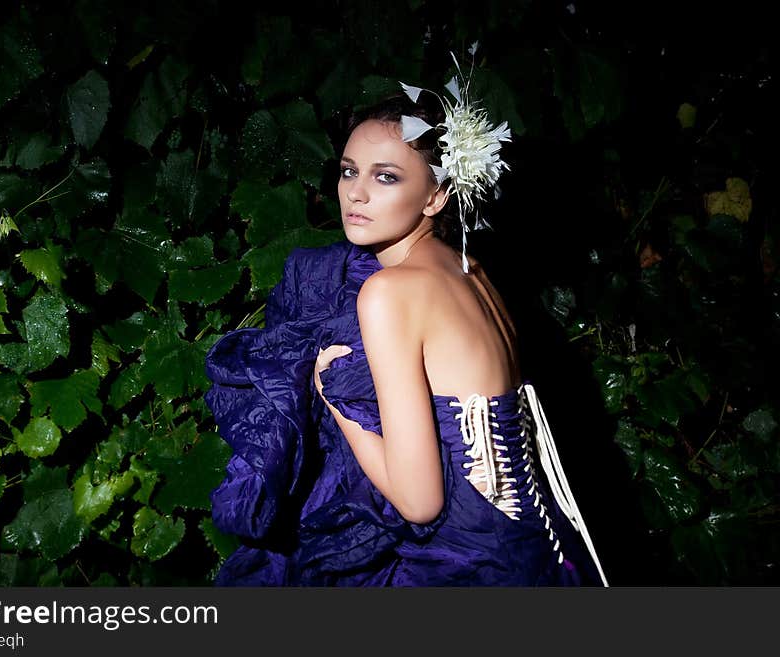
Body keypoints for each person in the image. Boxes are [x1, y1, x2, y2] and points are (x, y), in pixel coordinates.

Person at [204, 52, 608, 586]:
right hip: (535, 541)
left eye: (387, 177)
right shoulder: (470, 269)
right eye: (349, 171)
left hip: (463, 556)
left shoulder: (391, 292)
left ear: (437, 195)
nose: (356, 191)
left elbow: (419, 501)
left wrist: (332, 397)